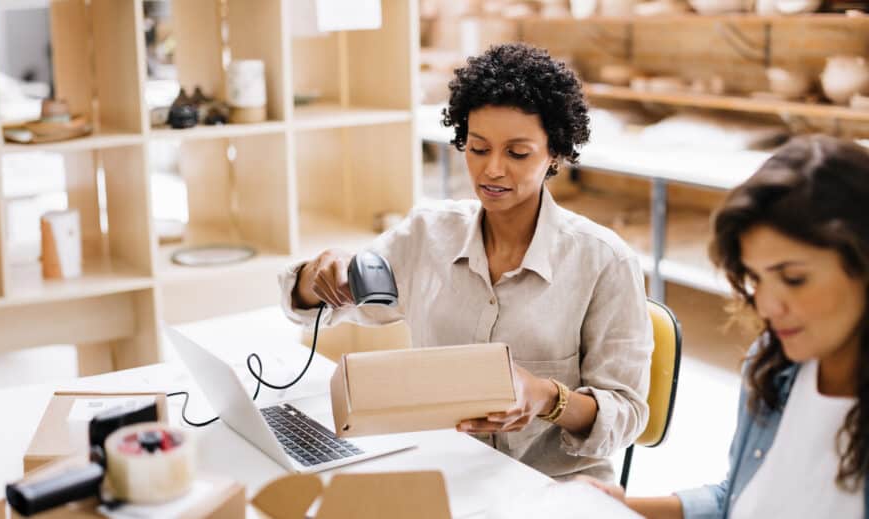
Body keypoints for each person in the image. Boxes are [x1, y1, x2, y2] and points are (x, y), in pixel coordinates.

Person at [279, 43, 652, 481]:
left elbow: (627, 414)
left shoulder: (604, 261)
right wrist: (317, 274)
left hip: (553, 486)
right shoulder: (427, 234)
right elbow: (317, 306)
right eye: (477, 149)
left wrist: (549, 399)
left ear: (555, 153)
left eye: (517, 153)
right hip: (443, 470)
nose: (492, 170)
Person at [581, 135, 869, 517]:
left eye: (794, 279)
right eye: (755, 279)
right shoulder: (773, 364)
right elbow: (740, 499)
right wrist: (622, 508)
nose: (766, 306)